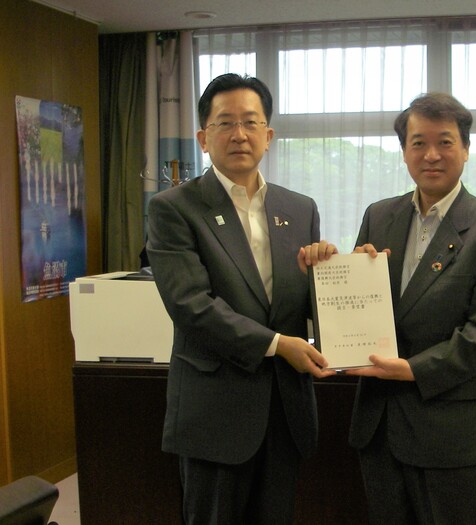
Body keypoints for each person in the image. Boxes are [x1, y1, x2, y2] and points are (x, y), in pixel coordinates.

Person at [146, 73, 336, 524]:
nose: (239, 134)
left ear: (268, 135)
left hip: (285, 412)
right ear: (203, 137)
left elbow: (306, 304)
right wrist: (277, 344)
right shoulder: (173, 208)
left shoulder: (299, 208)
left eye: (251, 122)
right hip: (214, 413)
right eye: (224, 123)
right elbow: (191, 305)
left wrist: (333, 270)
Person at [346, 92, 476, 524]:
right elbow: (352, 311)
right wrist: (328, 270)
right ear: (405, 152)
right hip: (381, 424)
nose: (431, 155)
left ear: (465, 149)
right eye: (418, 143)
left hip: (452, 430)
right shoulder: (379, 216)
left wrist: (412, 369)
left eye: (445, 142)